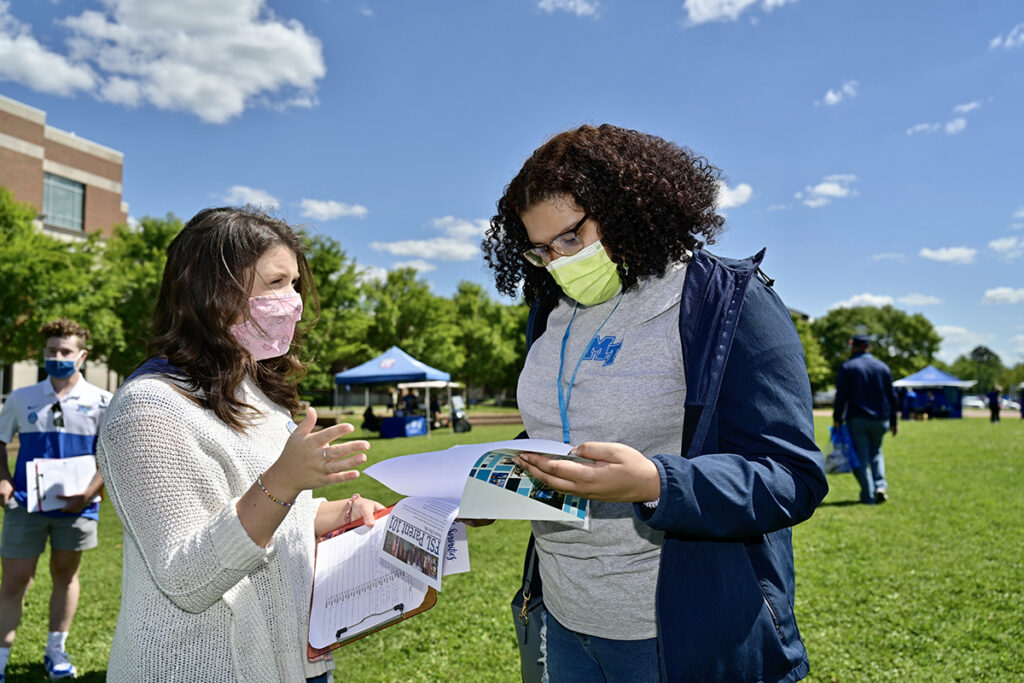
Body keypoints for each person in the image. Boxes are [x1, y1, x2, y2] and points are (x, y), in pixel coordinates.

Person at [480, 124, 828, 682]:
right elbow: (563, 431)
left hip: (677, 635)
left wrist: (656, 485)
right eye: (540, 250)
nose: (558, 262)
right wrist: (497, 481)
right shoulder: (550, 312)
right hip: (562, 617)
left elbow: (793, 477)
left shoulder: (728, 303)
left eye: (570, 238)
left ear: (625, 206)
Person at [95, 207, 384, 682]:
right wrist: (285, 479)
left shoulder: (252, 390)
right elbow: (188, 578)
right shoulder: (145, 409)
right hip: (201, 667)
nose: (291, 301)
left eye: (294, 284)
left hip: (292, 662)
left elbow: (273, 513)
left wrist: (337, 515)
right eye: (276, 283)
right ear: (214, 290)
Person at [0, 319, 111, 681]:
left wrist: (91, 491)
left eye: (65, 352)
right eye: (51, 351)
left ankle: (56, 652)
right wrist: (2, 478)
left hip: (79, 506)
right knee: (15, 581)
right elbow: (0, 441)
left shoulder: (102, 402)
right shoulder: (21, 398)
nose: (57, 357)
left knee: (65, 575)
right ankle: (0, 660)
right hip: (25, 504)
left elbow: (109, 453)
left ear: (82, 355)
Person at [833, 334, 898, 505]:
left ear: (854, 346)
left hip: (858, 419)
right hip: (881, 419)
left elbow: (841, 396)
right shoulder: (883, 367)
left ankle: (868, 496)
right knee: (876, 453)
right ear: (868, 347)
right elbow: (892, 396)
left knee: (860, 457)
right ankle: (880, 486)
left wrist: (837, 417)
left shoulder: (848, 366)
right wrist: (893, 421)